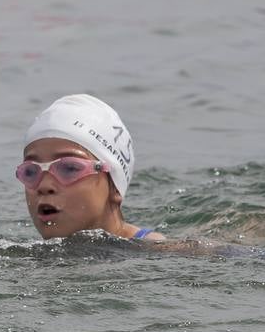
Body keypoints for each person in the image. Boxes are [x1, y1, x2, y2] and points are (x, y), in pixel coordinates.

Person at [17, 94, 163, 242]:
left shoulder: (156, 252)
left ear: (114, 187)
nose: (44, 186)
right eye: (30, 172)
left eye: (69, 168)